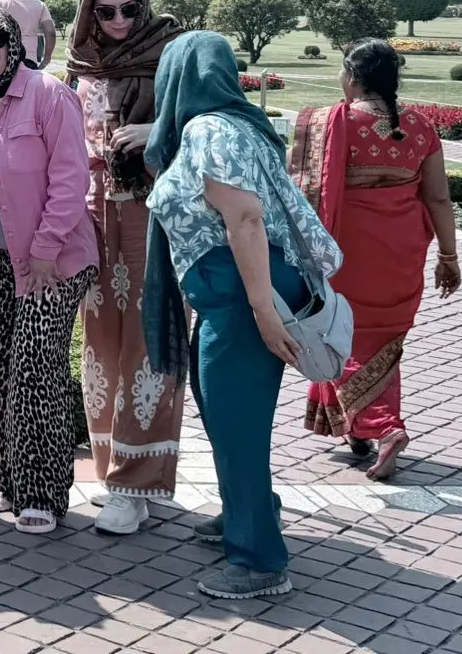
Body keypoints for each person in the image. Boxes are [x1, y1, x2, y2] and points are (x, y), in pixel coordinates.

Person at [144, 31, 344, 601]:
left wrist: (261, 311)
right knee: (225, 414)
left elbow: (246, 219)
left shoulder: (208, 130)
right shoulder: (240, 125)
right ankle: (248, 511)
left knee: (237, 425)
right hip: (233, 298)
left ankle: (259, 560)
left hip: (244, 299)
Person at [290, 39, 461, 479]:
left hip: (347, 251)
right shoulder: (421, 126)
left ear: (352, 76)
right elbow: (439, 198)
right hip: (401, 253)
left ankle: (384, 428)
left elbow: (302, 194)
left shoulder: (335, 122)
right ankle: (357, 431)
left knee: (337, 335)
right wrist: (448, 256)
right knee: (382, 344)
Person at [0, 7, 97, 535]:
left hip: (52, 261)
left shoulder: (47, 94)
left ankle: (41, 491)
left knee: (36, 369)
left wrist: (44, 248)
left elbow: (71, 179)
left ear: (15, 43)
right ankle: (2, 476)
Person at [65, 0, 186, 535]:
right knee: (101, 345)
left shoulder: (170, 57)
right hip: (93, 218)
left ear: (144, 5)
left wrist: (156, 132)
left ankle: (135, 481)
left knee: (148, 339)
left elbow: (209, 127)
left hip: (149, 216)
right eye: (105, 11)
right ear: (89, 11)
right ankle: (115, 469)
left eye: (128, 9)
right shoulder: (81, 65)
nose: (117, 21)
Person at [0, 0, 57, 69]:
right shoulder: (40, 5)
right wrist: (46, 58)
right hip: (29, 58)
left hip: (5, 57)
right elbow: (51, 33)